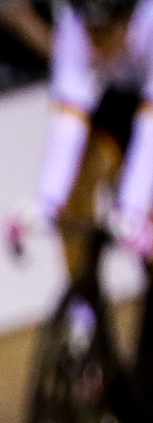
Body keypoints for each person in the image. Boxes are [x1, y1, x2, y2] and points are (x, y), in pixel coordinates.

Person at [38, 0, 153, 387]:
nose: (95, 46)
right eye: (89, 33)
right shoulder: (74, 21)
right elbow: (69, 121)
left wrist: (131, 209)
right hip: (121, 99)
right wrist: (46, 202)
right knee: (76, 196)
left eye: (105, 34)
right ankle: (84, 322)